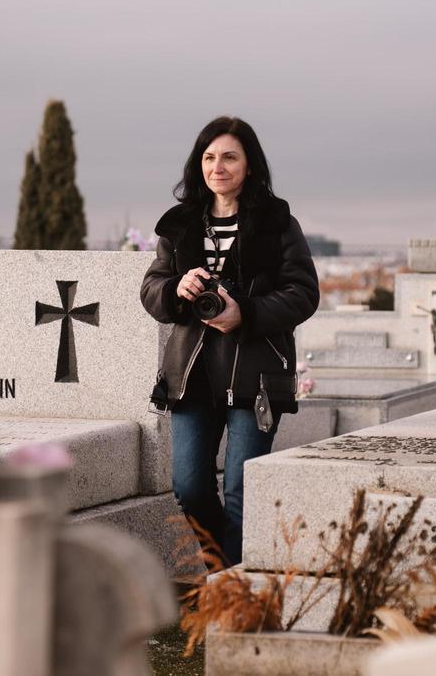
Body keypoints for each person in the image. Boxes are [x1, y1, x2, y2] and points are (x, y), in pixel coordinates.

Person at [141, 116, 320, 566]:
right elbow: (151, 289)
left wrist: (247, 312)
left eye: (228, 157)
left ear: (250, 165)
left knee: (241, 491)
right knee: (189, 487)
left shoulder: (278, 223)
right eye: (208, 157)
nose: (217, 166)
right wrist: (175, 289)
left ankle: (232, 601)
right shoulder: (180, 225)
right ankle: (228, 577)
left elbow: (303, 293)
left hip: (256, 375)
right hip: (192, 377)